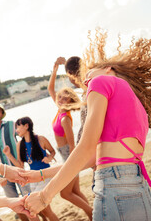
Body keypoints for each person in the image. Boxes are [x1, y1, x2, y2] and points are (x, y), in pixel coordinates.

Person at [22, 31, 151, 221]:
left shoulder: (101, 81)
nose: (84, 80)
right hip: (140, 190)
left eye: (88, 72)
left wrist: (44, 196)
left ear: (108, 69)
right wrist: (40, 175)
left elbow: (86, 146)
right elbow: (92, 159)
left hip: (115, 190)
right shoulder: (136, 104)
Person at [48, 59, 93, 220]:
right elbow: (51, 89)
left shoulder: (65, 119)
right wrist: (55, 69)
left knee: (65, 193)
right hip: (64, 155)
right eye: (60, 97)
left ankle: (91, 213)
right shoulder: (59, 111)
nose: (61, 99)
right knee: (76, 192)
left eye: (65, 99)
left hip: (69, 155)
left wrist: (72, 163)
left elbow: (73, 144)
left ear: (70, 102)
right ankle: (92, 215)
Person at [3, 117, 59, 221]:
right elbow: (20, 166)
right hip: (33, 178)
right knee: (36, 209)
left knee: (40, 208)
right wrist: (9, 155)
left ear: (26, 126)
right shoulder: (20, 144)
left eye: (18, 126)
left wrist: (49, 158)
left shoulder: (41, 139)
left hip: (45, 175)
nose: (16, 130)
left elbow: (52, 151)